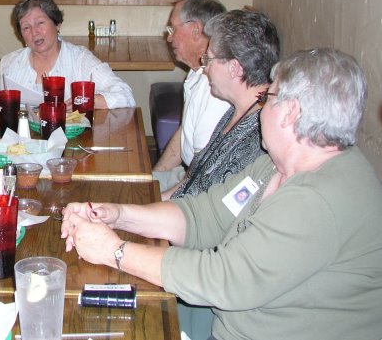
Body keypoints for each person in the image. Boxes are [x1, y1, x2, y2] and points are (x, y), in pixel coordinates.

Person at [62, 48, 382, 340]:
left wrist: (113, 250)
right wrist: (118, 214)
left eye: (268, 98)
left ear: (290, 113)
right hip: (219, 317)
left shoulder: (316, 201)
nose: (262, 106)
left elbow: (224, 280)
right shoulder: (274, 167)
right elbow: (204, 215)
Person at [162, 10, 280, 200]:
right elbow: (193, 180)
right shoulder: (235, 111)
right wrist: (153, 201)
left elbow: (212, 213)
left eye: (209, 60)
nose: (205, 69)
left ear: (234, 68)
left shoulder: (258, 136)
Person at [0, 0, 135, 110]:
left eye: (40, 23)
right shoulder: (8, 63)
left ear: (57, 24)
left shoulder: (80, 59)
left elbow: (126, 96)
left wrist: (87, 101)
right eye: (26, 27)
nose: (35, 32)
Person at [152, 0, 230, 192]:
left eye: (173, 29)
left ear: (196, 30)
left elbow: (203, 176)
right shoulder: (197, 72)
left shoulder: (215, 91)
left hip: (203, 189)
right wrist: (154, 178)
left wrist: (157, 202)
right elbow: (184, 133)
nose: (169, 37)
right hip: (188, 174)